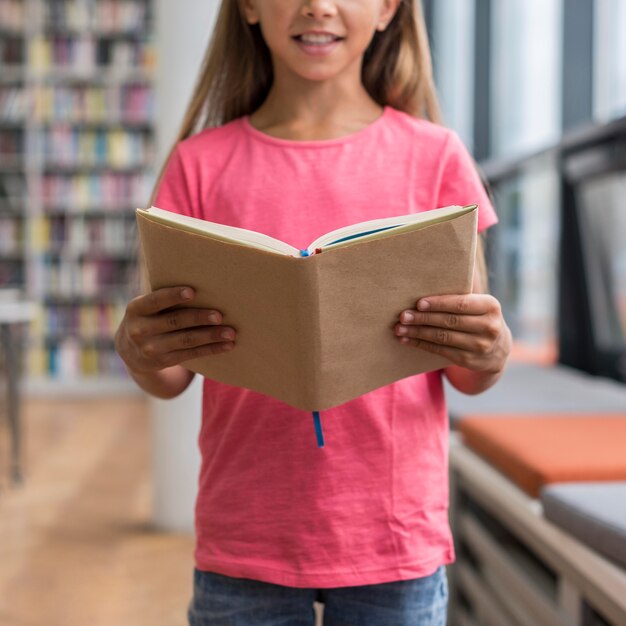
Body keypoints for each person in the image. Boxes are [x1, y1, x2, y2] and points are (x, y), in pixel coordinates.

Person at [114, 0, 512, 624]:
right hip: (246, 534)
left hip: (393, 536)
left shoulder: (434, 157)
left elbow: (469, 371)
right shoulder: (200, 164)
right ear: (248, 6)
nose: (317, 7)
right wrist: (139, 352)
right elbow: (170, 377)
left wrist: (491, 351)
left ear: (387, 9)